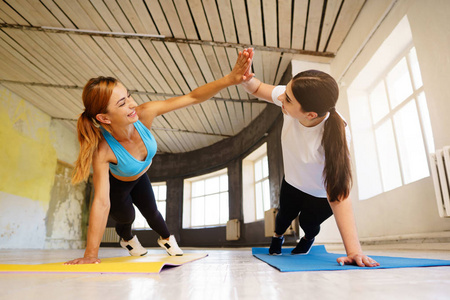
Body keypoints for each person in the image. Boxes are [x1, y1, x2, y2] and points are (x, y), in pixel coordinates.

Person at [65, 50, 253, 265]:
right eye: (122, 103)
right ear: (103, 117)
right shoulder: (104, 151)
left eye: (128, 96)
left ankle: (166, 240)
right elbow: (101, 202)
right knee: (126, 218)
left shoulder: (145, 113)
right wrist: (90, 255)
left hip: (140, 178)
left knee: (153, 212)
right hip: (119, 187)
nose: (132, 104)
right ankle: (127, 238)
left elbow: (192, 97)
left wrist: (230, 79)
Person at [240, 49, 379, 267]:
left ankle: (308, 238)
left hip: (321, 193)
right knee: (282, 218)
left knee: (308, 222)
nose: (281, 99)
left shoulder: (336, 137)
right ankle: (277, 238)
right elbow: (257, 88)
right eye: (284, 93)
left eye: (287, 99)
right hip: (294, 180)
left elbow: (339, 194)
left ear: (310, 114)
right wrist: (246, 78)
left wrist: (354, 251)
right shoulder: (294, 99)